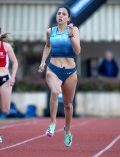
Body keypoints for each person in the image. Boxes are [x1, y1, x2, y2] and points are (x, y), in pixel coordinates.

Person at [38, 6, 81, 147]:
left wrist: (71, 37)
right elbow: (47, 46)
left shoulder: (74, 30)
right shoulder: (50, 31)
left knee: (68, 105)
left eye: (63, 14)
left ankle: (68, 131)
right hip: (53, 68)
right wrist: (43, 62)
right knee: (55, 92)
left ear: (68, 18)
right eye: (58, 13)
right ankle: (52, 123)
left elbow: (78, 51)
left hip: (70, 70)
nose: (60, 16)